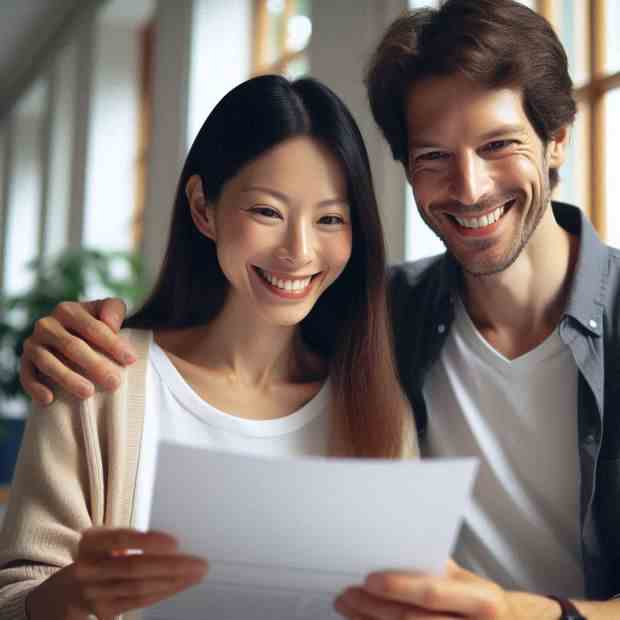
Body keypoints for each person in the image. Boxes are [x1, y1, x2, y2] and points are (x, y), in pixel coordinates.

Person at [12, 0, 620, 618]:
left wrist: (524, 614)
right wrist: (61, 338)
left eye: (498, 144)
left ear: (558, 140)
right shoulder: (387, 323)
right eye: (434, 156)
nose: (469, 186)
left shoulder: (379, 355)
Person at [0, 74, 415, 620]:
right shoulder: (99, 377)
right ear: (203, 208)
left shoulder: (375, 408)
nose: (299, 250)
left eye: (331, 219)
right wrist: (74, 594)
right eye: (267, 211)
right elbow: (15, 597)